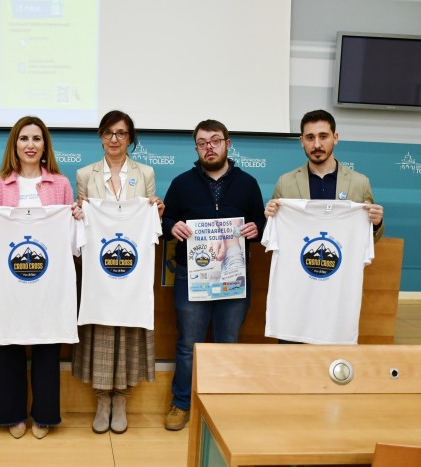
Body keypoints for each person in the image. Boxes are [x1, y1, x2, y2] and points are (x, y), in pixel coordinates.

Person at [0, 116, 78, 440]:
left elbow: (71, 241)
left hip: (49, 284)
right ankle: (11, 414)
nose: (30, 145)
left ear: (45, 145)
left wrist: (75, 217)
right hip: (10, 283)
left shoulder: (60, 184)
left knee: (48, 343)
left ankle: (44, 415)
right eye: (24, 139)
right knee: (8, 341)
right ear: (14, 145)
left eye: (36, 138)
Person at [161, 119, 266, 431]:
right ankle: (181, 404)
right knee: (188, 344)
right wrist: (172, 227)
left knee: (227, 342)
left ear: (227, 144)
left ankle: (221, 404)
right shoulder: (181, 183)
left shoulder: (248, 183)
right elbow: (165, 220)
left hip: (234, 277)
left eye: (215, 140)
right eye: (202, 142)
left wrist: (256, 228)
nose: (209, 147)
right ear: (196, 147)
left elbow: (261, 222)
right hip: (190, 277)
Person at [72, 110, 164, 435]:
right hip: (98, 272)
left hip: (131, 272)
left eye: (121, 133)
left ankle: (121, 398)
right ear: (100, 136)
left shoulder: (146, 173)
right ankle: (101, 399)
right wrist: (78, 214)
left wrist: (156, 212)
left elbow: (150, 224)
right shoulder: (85, 175)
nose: (114, 139)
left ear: (130, 138)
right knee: (100, 329)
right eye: (109, 133)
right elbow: (82, 226)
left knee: (128, 331)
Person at [265, 109, 384, 240]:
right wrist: (270, 219)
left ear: (335, 138)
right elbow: (272, 235)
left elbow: (369, 240)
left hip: (342, 259)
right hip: (300, 259)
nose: (317, 145)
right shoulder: (285, 183)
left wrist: (376, 224)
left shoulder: (360, 182)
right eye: (310, 138)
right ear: (302, 141)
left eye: (323, 136)